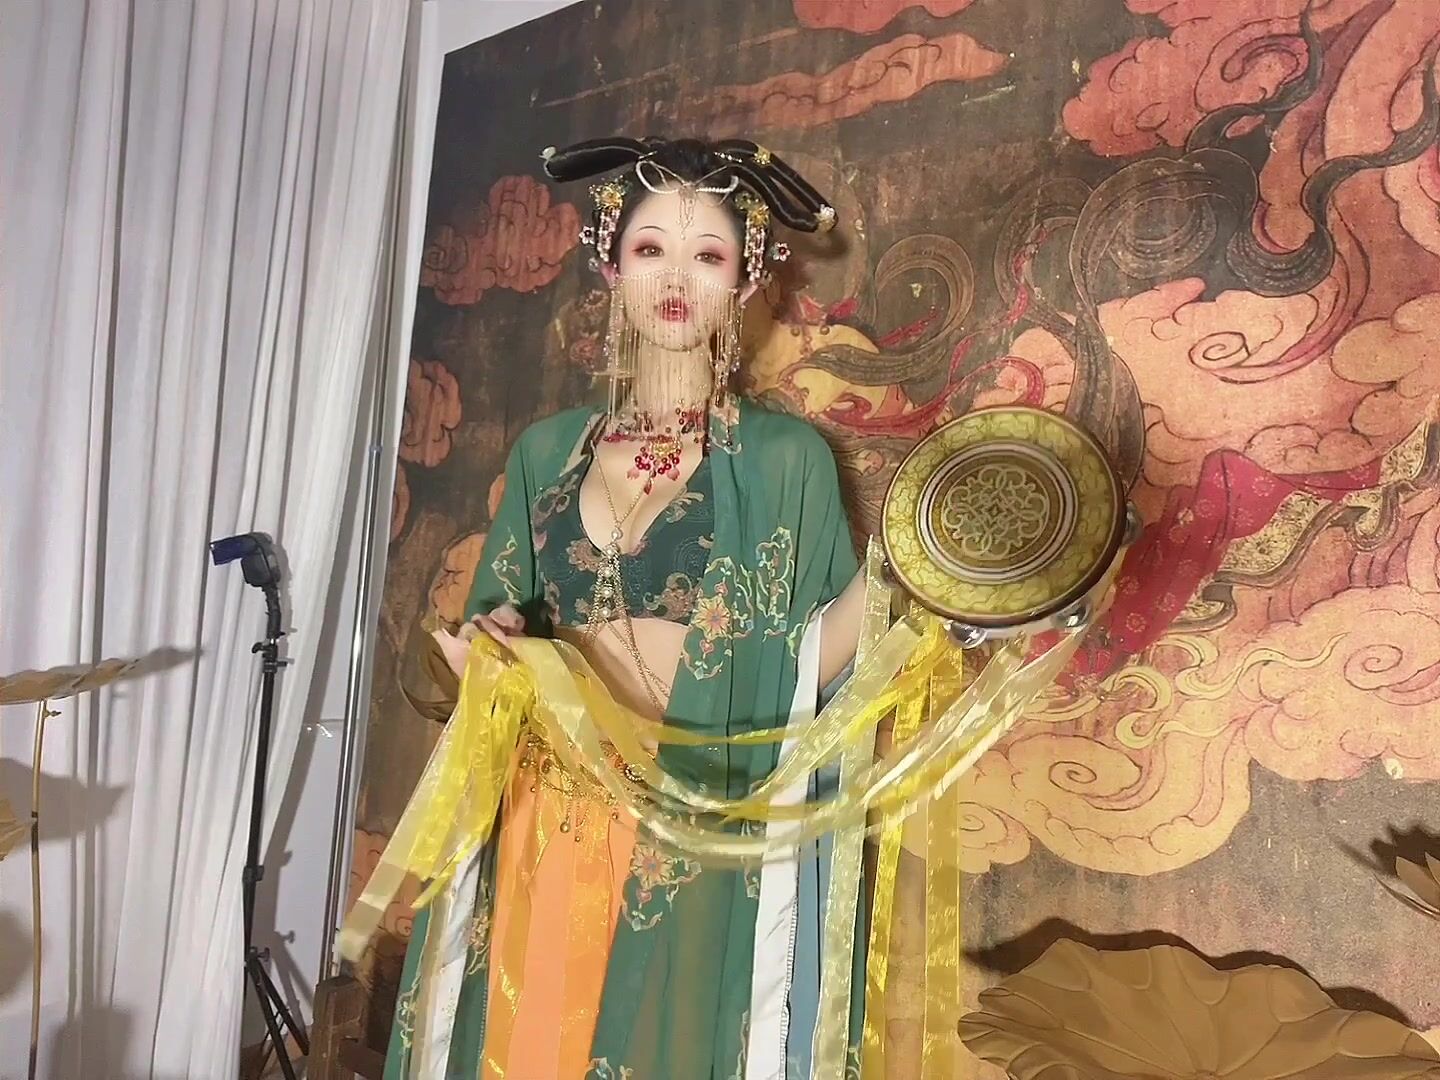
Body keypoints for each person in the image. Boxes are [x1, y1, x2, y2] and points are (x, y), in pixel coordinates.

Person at [386, 136, 868, 1080]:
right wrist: (493, 645)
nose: (675, 278)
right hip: (549, 810)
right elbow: (491, 628)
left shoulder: (786, 461)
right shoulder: (547, 452)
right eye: (651, 249)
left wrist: (909, 589)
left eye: (707, 254)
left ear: (747, 278)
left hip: (698, 818)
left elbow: (813, 660)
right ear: (610, 265)